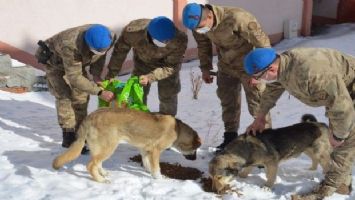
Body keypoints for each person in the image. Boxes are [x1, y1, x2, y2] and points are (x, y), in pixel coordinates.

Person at [244, 47, 355, 199]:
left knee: (345, 142)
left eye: (259, 77)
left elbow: (343, 109)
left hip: (348, 95)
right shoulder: (282, 67)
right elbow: (273, 88)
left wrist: (339, 136)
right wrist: (260, 116)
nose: (258, 81)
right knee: (339, 138)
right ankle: (342, 181)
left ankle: (330, 190)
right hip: (340, 93)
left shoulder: (313, 74)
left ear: (271, 68)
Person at [182, 3, 272, 150]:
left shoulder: (238, 18)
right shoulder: (198, 25)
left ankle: (265, 145)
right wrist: (205, 68)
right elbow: (203, 46)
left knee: (258, 105)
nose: (199, 31)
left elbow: (264, 45)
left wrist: (260, 73)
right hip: (227, 66)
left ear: (210, 16)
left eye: (201, 27)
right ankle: (230, 139)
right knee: (228, 102)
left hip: (250, 67)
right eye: (196, 29)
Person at [35, 24, 115, 153]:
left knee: (81, 96)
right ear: (88, 45)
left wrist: (96, 74)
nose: (101, 52)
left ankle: (81, 132)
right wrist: (99, 91)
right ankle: (69, 135)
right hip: (53, 61)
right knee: (64, 95)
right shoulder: (70, 46)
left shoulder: (109, 36)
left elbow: (101, 56)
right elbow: (75, 78)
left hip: (78, 62)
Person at [106, 16, 187, 116]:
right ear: (150, 35)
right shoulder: (133, 32)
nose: (165, 44)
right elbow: (120, 52)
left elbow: (171, 67)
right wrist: (111, 75)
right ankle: (139, 121)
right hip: (143, 64)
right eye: (162, 41)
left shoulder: (179, 39)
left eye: (167, 41)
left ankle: (167, 125)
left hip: (166, 67)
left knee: (168, 95)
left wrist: (150, 77)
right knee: (136, 96)